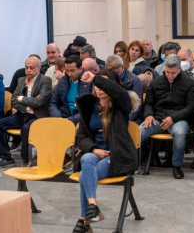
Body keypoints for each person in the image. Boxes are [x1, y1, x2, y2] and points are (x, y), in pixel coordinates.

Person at [72, 69, 138, 233]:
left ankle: (83, 220)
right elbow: (80, 136)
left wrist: (95, 78)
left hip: (117, 155)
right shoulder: (89, 106)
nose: (99, 87)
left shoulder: (121, 105)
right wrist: (93, 149)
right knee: (86, 159)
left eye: (103, 84)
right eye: (96, 84)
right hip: (96, 154)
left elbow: (119, 92)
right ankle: (93, 207)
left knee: (83, 176)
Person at [140, 54, 194, 179]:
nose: (170, 76)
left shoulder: (189, 83)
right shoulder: (156, 83)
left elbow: (191, 107)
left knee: (179, 133)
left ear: (180, 69)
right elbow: (148, 103)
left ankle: (176, 166)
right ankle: (129, 163)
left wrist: (174, 118)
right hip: (157, 118)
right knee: (138, 132)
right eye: (167, 72)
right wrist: (148, 115)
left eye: (174, 73)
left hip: (178, 118)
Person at [0, 57, 52, 168]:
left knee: (26, 129)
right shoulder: (21, 80)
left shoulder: (46, 81)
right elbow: (13, 100)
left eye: (31, 68)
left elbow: (39, 102)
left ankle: (26, 160)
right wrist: (28, 101)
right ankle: (6, 158)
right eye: (26, 67)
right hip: (22, 114)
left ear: (39, 68)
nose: (28, 70)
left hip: (37, 116)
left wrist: (21, 99)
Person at [49, 55, 92, 125]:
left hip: (81, 121)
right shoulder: (63, 81)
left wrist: (70, 120)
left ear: (80, 69)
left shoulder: (89, 83)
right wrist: (57, 117)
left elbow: (89, 109)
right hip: (62, 118)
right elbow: (53, 102)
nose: (69, 74)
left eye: (72, 71)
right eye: (67, 71)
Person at [105, 55, 143, 123]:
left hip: (129, 117)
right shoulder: (106, 79)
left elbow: (137, 107)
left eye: (113, 69)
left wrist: (123, 121)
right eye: (108, 70)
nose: (110, 73)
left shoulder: (134, 80)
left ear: (122, 67)